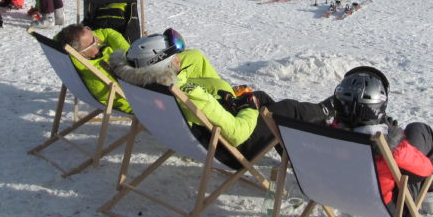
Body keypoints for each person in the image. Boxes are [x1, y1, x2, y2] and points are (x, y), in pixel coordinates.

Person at [110, 29, 335, 170]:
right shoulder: (189, 94)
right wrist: (248, 106)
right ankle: (328, 111)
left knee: (262, 97)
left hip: (196, 138)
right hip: (232, 151)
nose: (180, 60)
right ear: (162, 64)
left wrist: (240, 99)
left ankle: (292, 156)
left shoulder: (148, 86)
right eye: (174, 58)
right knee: (287, 109)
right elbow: (237, 134)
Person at [326, 66, 433, 215]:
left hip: (335, 195)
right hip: (388, 206)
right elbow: (426, 170)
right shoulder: (387, 146)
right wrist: (395, 136)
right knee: (419, 130)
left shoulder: (323, 136)